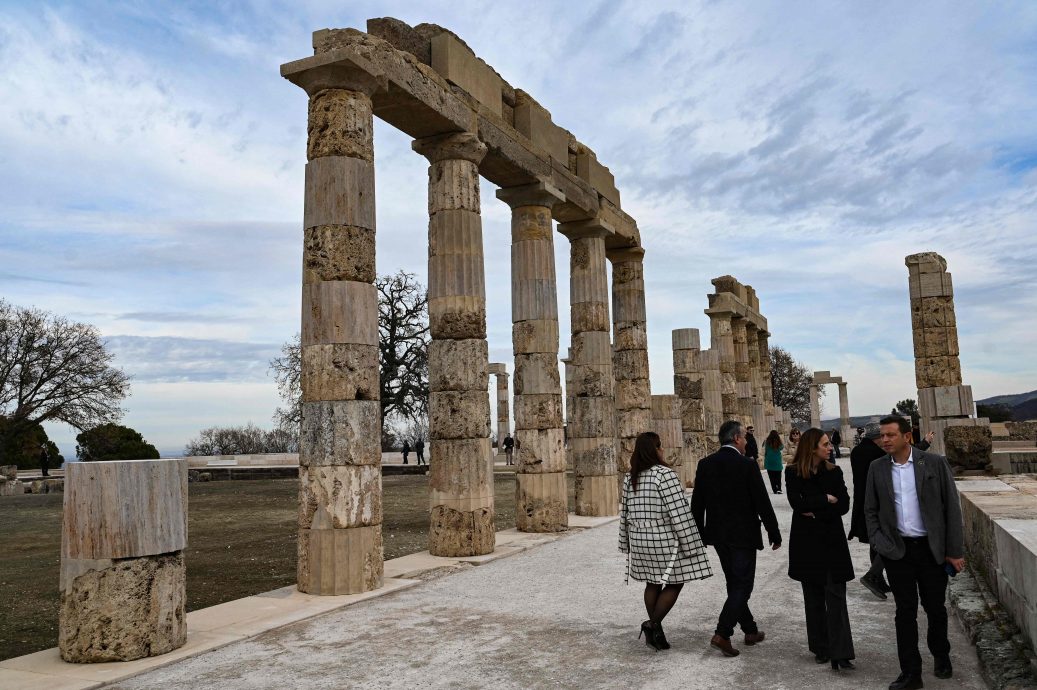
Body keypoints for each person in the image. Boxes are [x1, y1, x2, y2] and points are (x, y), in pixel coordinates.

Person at [864, 416, 965, 690]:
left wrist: (954, 551)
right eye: (882, 435)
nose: (884, 440)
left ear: (907, 437)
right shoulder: (877, 468)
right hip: (898, 552)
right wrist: (880, 543)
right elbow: (870, 511)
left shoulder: (933, 463)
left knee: (934, 608)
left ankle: (941, 655)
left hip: (931, 550)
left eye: (890, 435)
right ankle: (911, 673)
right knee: (904, 612)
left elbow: (952, 509)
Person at [691, 420, 782, 657]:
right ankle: (723, 633)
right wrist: (774, 533)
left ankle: (750, 630)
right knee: (743, 585)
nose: (746, 442)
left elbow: (697, 503)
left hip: (718, 535)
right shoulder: (746, 465)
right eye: (744, 438)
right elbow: (762, 502)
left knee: (735, 583)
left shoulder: (705, 464)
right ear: (737, 439)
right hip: (743, 535)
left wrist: (698, 533)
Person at [619, 431, 712, 651]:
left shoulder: (630, 476)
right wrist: (692, 544)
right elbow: (679, 513)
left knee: (652, 582)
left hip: (640, 539)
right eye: (660, 446)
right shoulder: (664, 475)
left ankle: (656, 632)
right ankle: (652, 624)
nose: (663, 450)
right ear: (655, 449)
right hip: (664, 539)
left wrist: (626, 543)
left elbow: (625, 513)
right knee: (674, 581)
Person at [785, 428, 855, 670]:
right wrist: (826, 499)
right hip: (807, 543)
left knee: (836, 597)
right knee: (813, 598)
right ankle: (820, 647)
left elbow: (844, 504)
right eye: (825, 444)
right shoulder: (793, 472)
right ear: (812, 447)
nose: (830, 447)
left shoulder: (834, 472)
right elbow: (797, 504)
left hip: (832, 540)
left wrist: (815, 509)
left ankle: (841, 651)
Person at [849, 422, 891, 599]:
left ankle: (878, 577)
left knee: (876, 541)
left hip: (863, 501)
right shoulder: (878, 454)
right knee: (888, 541)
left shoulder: (857, 451)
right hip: (879, 504)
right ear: (878, 437)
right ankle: (874, 575)